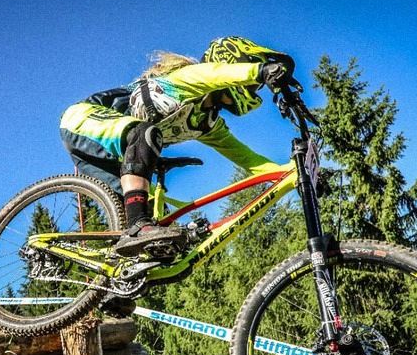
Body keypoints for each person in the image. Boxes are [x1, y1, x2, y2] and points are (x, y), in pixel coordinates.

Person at [60, 36, 301, 257]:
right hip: (82, 119)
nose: (256, 89)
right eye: (255, 85)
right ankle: (137, 228)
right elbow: (214, 74)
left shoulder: (208, 124)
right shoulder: (185, 80)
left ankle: (121, 275)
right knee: (144, 135)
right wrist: (259, 71)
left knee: (157, 220)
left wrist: (294, 173)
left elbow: (249, 159)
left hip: (116, 153)